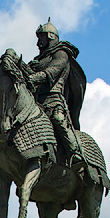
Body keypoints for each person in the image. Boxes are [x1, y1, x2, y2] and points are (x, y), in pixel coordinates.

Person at [26, 20, 87, 167]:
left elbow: (52, 71)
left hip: (53, 99)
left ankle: (75, 153)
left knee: (59, 119)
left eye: (41, 38)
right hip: (36, 101)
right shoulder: (38, 60)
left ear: (51, 36)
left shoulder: (62, 53)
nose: (38, 42)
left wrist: (34, 77)